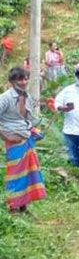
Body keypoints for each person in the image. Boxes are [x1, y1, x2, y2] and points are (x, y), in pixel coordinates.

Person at [0, 67, 47, 213]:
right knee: (14, 175)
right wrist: (6, 136)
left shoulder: (28, 96)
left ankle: (24, 205)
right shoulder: (5, 98)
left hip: (26, 139)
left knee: (28, 174)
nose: (24, 82)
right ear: (12, 81)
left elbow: (27, 119)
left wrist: (33, 130)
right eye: (20, 79)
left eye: (26, 78)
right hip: (13, 142)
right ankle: (13, 207)